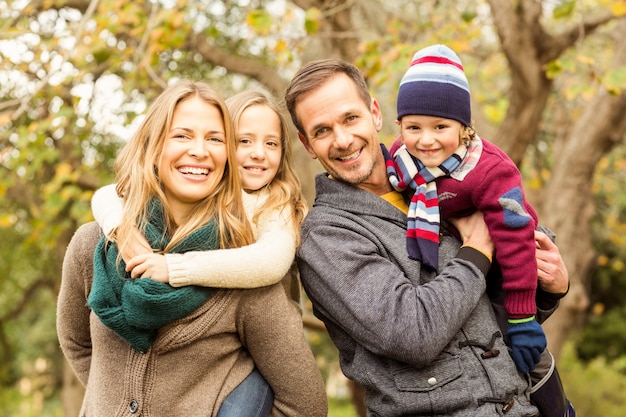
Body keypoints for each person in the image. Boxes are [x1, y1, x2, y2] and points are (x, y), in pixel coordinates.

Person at [284, 59, 570, 416]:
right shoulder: (326, 237)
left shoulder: (438, 178)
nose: (342, 140)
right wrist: (477, 249)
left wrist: (551, 286)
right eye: (322, 131)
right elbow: (412, 334)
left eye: (350, 118)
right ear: (307, 144)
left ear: (374, 113)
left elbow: (488, 316)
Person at [56, 80, 327, 417]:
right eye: (182, 135)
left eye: (214, 139)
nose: (199, 150)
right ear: (153, 145)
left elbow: (305, 406)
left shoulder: (243, 267)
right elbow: (78, 345)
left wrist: (175, 267)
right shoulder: (92, 244)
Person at [383, 44, 574, 416]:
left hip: (513, 254)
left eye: (441, 127)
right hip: (471, 257)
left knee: (523, 351)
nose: (426, 140)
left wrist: (522, 317)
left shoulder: (488, 170)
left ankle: (559, 409)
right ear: (399, 126)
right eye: (413, 127)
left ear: (464, 128)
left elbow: (517, 242)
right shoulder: (401, 161)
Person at [91, 90, 306, 307]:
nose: (259, 153)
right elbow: (108, 194)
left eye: (271, 144)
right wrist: (122, 228)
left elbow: (271, 261)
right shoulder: (206, 193)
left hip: (269, 319)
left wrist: (174, 267)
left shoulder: (275, 202)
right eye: (244, 141)